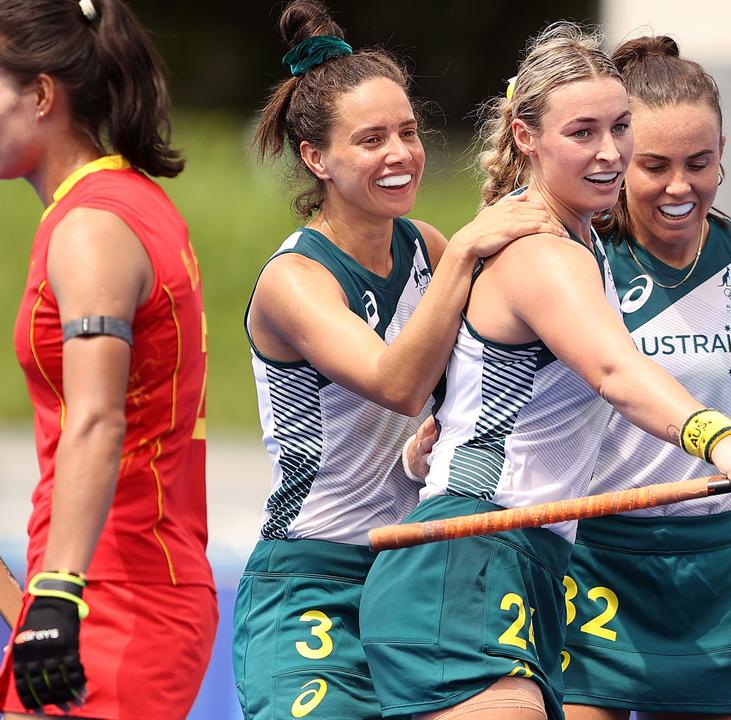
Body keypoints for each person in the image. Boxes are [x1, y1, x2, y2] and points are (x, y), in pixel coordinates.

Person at [359, 22, 731, 720]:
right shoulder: (545, 250)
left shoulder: (578, 238)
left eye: (619, 127)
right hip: (473, 548)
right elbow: (615, 371)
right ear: (527, 136)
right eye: (583, 132)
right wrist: (725, 442)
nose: (608, 152)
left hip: (528, 553)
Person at [230, 3, 563, 719]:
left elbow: (467, 390)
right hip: (309, 577)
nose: (401, 154)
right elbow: (399, 385)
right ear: (317, 158)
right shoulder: (297, 280)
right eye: (371, 139)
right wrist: (475, 246)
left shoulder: (428, 247)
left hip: (413, 567)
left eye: (408, 132)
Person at [0, 0, 215, 717]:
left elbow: (99, 419)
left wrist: (59, 591)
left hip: (113, 595)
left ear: (43, 95)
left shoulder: (93, 228)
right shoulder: (121, 203)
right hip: (95, 582)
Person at [561, 36, 731, 720]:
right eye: (654, 166)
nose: (679, 188)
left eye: (700, 163)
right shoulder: (576, 258)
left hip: (721, 570)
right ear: (621, 156)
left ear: (724, 150)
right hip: (597, 559)